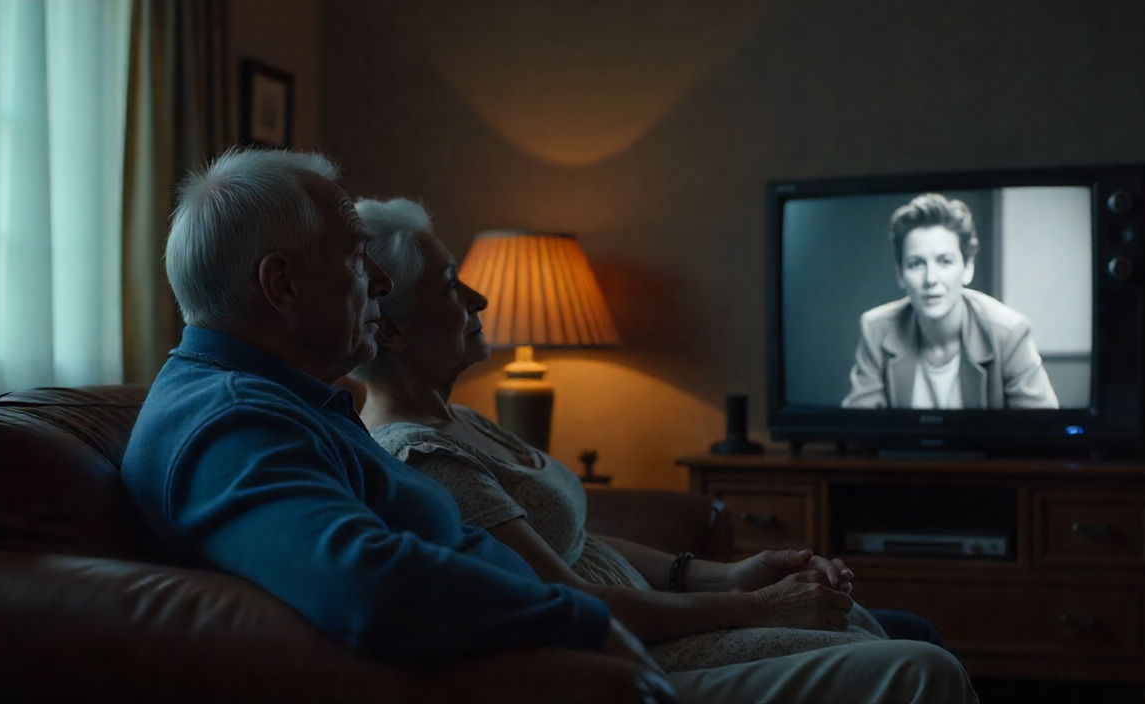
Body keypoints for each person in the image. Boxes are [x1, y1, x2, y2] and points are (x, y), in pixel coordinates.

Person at [350, 196, 978, 702]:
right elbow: (572, 599)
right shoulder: (422, 457)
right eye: (452, 285)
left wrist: (723, 574)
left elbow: (576, 540)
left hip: (663, 623)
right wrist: (754, 607)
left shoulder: (462, 417)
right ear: (392, 326)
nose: (479, 300)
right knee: (923, 666)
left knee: (892, 629)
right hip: (634, 654)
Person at [118, 149, 663, 689]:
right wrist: (583, 624)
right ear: (282, 284)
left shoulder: (285, 400)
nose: (380, 281)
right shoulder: (233, 422)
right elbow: (362, 583)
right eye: (357, 256)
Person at [842, 193, 1059, 410]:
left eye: (945, 261)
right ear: (900, 274)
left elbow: (1044, 432)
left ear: (968, 268)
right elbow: (858, 430)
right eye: (916, 264)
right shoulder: (877, 329)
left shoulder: (1008, 333)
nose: (931, 279)